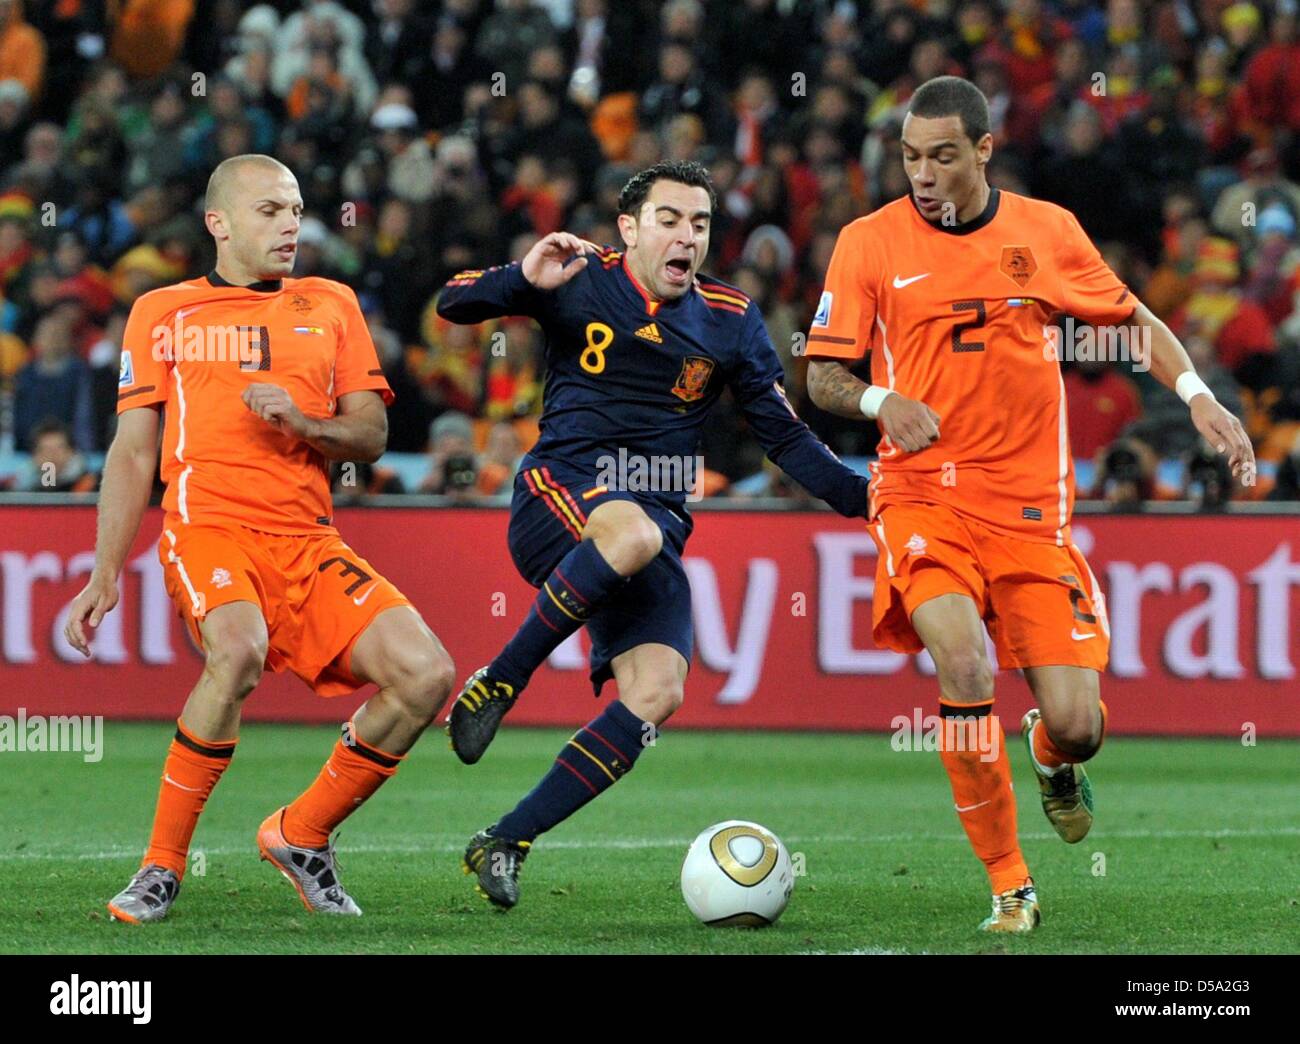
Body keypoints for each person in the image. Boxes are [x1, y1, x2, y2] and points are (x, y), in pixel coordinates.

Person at [803, 76, 1255, 933]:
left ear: (983, 149)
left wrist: (1195, 392)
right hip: (919, 494)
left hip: (1029, 512)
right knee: (965, 666)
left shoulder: (1046, 232)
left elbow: (1130, 319)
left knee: (1080, 726)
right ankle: (1011, 887)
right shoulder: (868, 243)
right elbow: (822, 373)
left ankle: (1050, 759)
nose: (923, 174)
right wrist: (876, 403)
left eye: (941, 156)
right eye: (909, 157)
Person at [436, 160, 869, 909]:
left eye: (699, 224)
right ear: (630, 228)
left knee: (657, 693)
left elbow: (788, 440)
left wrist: (872, 500)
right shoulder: (578, 275)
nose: (687, 237)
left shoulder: (730, 321)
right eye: (669, 220)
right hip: (559, 496)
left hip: (651, 527)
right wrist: (522, 279)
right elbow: (453, 302)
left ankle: (506, 840)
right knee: (631, 534)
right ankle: (500, 680)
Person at [64, 154, 456, 923]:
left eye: (297, 210)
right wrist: (105, 571)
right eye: (271, 211)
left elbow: (371, 433)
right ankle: (161, 867)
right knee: (236, 651)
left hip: (307, 540)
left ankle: (302, 834)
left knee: (427, 675)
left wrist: (306, 423)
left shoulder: (332, 302)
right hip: (208, 527)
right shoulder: (161, 312)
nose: (291, 226)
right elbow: (134, 450)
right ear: (220, 223)